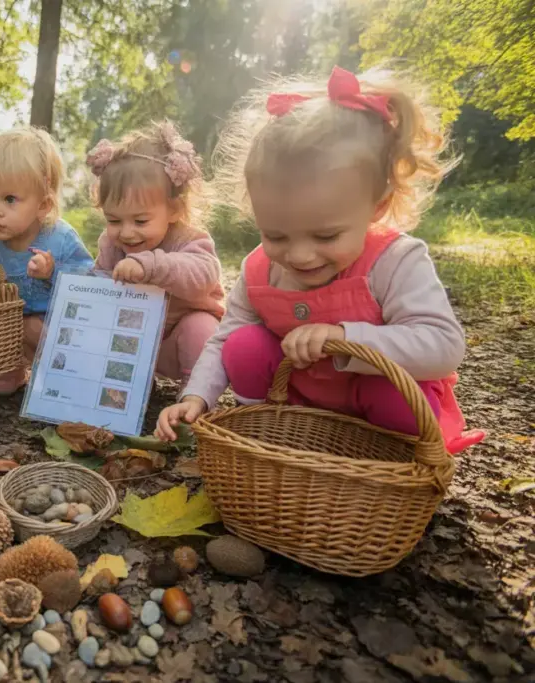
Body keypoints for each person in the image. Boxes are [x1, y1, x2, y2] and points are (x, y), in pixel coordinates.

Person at [156, 66, 485, 455]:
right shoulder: (262, 269)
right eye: (275, 235)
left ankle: (386, 459)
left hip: (377, 399)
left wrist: (348, 339)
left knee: (400, 397)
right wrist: (197, 397)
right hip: (297, 398)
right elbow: (226, 335)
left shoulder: (395, 261)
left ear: (376, 207)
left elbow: (444, 345)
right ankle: (268, 436)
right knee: (244, 345)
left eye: (326, 235)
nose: (298, 255)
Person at [0, 127, 95, 395]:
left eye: (9, 199)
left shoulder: (59, 238)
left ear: (43, 205)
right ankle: (6, 371)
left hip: (51, 329)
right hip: (4, 329)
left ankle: (58, 375)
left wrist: (52, 272)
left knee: (35, 328)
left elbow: (87, 286)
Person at [87, 120, 225, 384]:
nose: (126, 233)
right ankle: (130, 386)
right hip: (138, 342)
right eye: (114, 220)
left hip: (179, 342)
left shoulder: (190, 239)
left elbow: (203, 277)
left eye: (140, 221)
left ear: (174, 209)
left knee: (200, 328)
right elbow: (101, 283)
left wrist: (149, 265)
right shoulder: (111, 243)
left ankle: (195, 392)